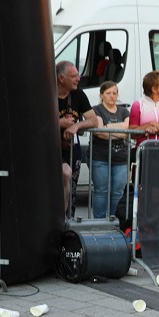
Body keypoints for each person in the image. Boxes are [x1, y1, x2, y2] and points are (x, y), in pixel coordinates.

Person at [58, 60, 101, 216]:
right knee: (65, 174)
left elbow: (94, 120)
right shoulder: (46, 93)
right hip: (49, 148)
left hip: (72, 149)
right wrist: (59, 122)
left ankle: (68, 221)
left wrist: (76, 126)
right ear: (61, 78)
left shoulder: (78, 94)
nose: (78, 79)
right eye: (74, 76)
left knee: (72, 188)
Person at [90, 81, 131, 221]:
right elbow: (99, 132)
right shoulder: (96, 109)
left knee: (118, 192)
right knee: (101, 191)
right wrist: (120, 131)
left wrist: (109, 127)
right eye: (108, 93)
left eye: (114, 93)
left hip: (121, 158)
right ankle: (99, 222)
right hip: (100, 157)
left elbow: (128, 129)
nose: (112, 96)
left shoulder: (124, 110)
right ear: (101, 95)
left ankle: (114, 222)